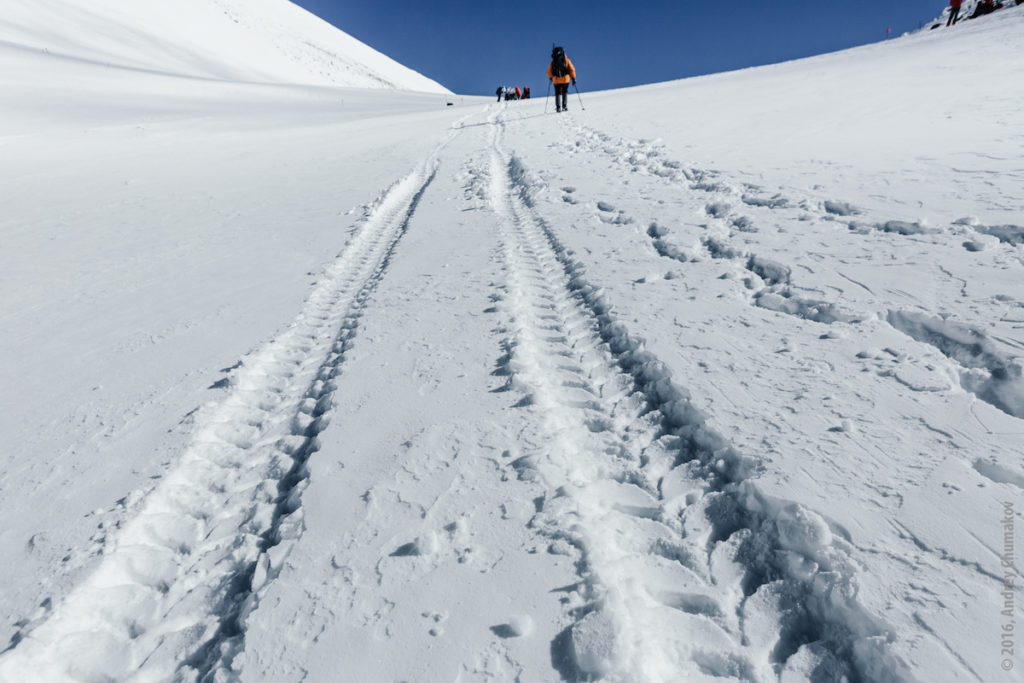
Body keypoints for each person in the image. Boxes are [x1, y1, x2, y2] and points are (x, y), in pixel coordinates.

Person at [547, 46, 576, 113]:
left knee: (557, 93)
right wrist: (573, 78)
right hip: (565, 79)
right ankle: (564, 105)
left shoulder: (553, 62)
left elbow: (549, 73)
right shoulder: (567, 60)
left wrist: (551, 77)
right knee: (564, 92)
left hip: (556, 80)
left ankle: (558, 107)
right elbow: (572, 69)